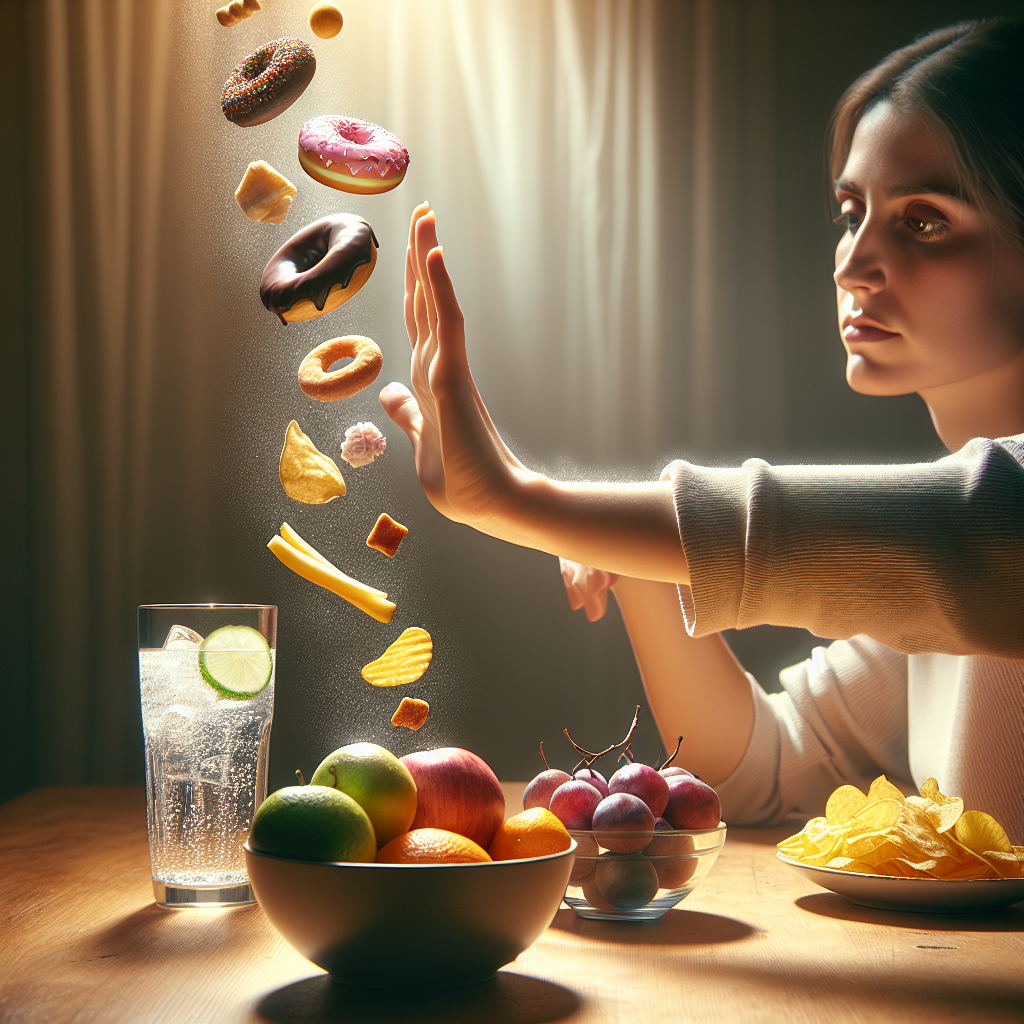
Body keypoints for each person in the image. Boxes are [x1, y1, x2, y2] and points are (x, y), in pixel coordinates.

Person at [379, 20, 1024, 841]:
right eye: (851, 212)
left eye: (925, 222)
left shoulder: (978, 540)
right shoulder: (944, 601)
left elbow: (954, 534)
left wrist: (511, 498)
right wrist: (638, 565)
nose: (853, 264)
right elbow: (772, 769)